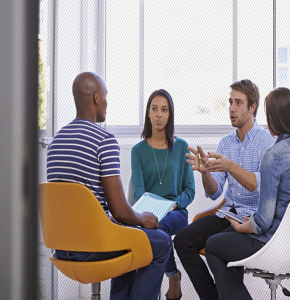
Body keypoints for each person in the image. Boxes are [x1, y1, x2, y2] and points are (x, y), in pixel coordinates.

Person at [46, 72, 172, 300]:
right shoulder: (104, 140)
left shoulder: (55, 142)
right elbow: (120, 212)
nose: (106, 102)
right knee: (161, 243)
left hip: (62, 248)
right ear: (96, 98)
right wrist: (143, 218)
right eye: (105, 96)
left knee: (128, 240)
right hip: (94, 246)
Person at [204, 87, 290, 300]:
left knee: (212, 245)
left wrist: (244, 226)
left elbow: (263, 222)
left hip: (271, 241)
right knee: (223, 238)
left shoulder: (273, 155)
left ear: (275, 117)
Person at [173, 79, 275, 300]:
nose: (231, 108)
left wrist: (230, 166)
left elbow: (258, 185)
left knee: (217, 246)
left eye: (238, 102)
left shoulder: (267, 142)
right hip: (227, 213)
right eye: (230, 102)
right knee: (182, 240)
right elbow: (214, 192)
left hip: (251, 219)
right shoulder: (226, 143)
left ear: (252, 107)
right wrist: (205, 172)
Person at [131, 89, 195, 300]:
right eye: (154, 109)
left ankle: (171, 277)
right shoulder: (138, 151)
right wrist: (149, 210)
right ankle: (169, 278)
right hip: (148, 212)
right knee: (155, 226)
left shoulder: (182, 147)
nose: (159, 114)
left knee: (161, 226)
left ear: (170, 115)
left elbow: (190, 191)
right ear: (148, 113)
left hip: (176, 214)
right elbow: (139, 191)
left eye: (164, 110)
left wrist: (174, 204)